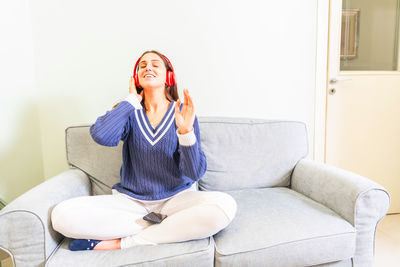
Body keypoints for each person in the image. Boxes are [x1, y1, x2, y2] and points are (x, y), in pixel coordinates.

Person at [51, 50, 237, 251]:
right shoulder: (129, 111)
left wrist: (185, 132)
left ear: (168, 76)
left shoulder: (182, 112)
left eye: (155, 64)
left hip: (177, 200)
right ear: (137, 76)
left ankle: (122, 242)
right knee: (61, 216)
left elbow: (194, 172)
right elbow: (101, 136)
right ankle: (166, 225)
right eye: (143, 65)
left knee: (225, 206)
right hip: (132, 204)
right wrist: (131, 101)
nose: (148, 67)